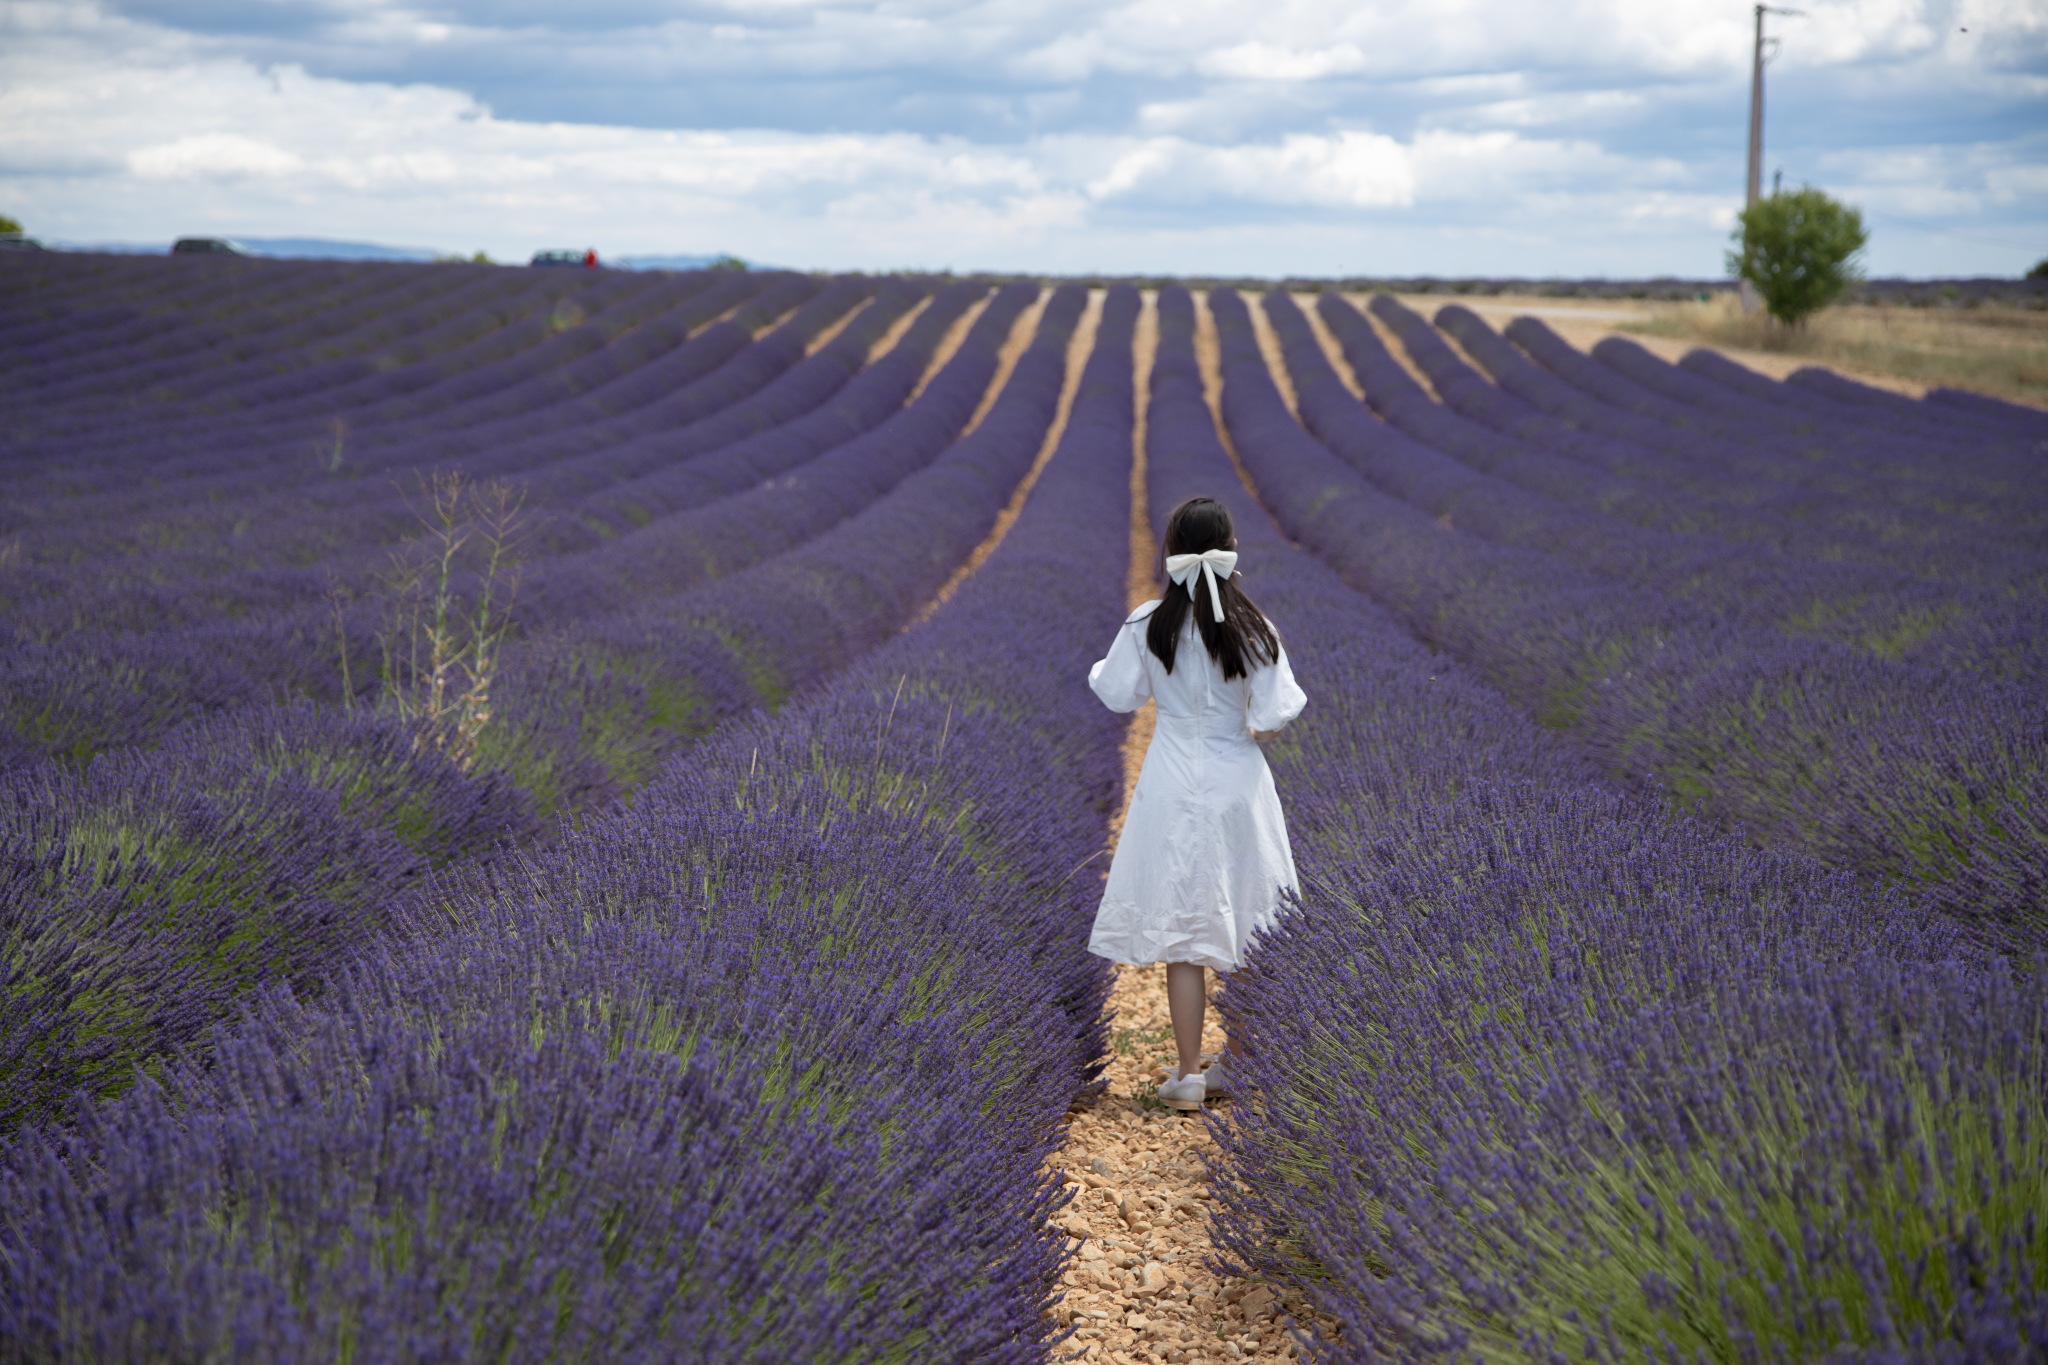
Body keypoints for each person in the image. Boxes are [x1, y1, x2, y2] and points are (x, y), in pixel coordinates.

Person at [1086, 496, 1307, 1110]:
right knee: (1252, 915)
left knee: (1185, 933)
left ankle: (1187, 1074)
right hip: (1238, 782)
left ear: (1170, 551)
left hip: (1173, 781)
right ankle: (1240, 1063)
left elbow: (1115, 693)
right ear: (1233, 549)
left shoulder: (1148, 623)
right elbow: (1274, 713)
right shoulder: (1255, 627)